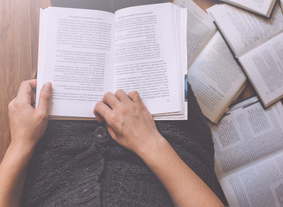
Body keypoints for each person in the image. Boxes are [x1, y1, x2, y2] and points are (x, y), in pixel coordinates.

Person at [0, 79, 224, 207]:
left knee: (73, 11)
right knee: (147, 14)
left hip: (54, 153)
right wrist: (150, 142)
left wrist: (20, 143)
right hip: (166, 152)